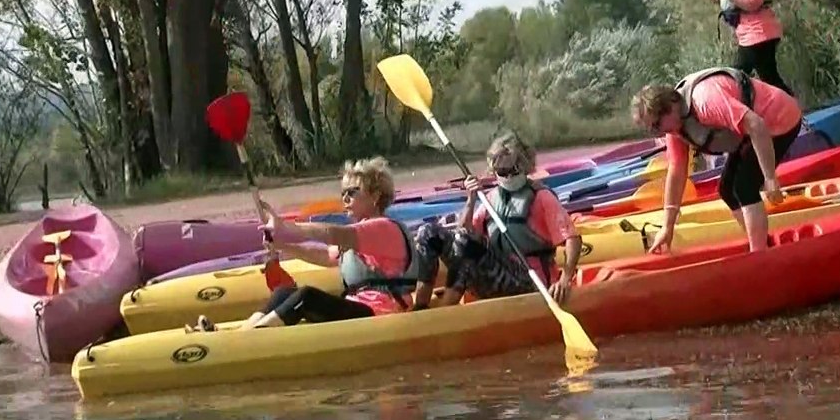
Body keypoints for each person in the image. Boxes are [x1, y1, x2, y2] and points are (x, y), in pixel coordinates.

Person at [184, 157, 422, 332]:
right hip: (357, 310)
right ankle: (240, 334)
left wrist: (287, 228)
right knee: (284, 292)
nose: (345, 199)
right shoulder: (360, 233)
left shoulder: (383, 228)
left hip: (382, 316)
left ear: (375, 196)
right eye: (343, 193)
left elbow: (332, 233)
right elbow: (323, 255)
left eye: (352, 192)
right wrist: (284, 246)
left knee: (307, 296)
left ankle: (252, 340)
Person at [631, 66, 803, 254]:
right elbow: (677, 171)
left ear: (670, 107)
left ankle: (759, 254)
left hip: (779, 119)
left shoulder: (705, 101)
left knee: (744, 186)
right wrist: (667, 226)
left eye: (656, 125)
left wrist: (770, 178)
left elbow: (756, 125)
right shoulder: (675, 127)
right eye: (652, 130)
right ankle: (762, 242)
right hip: (751, 134)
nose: (658, 132)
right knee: (727, 189)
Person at [411, 132, 582, 309]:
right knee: (428, 232)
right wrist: (471, 198)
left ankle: (444, 311)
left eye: (512, 170)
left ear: (524, 166)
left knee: (466, 242)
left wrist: (565, 279)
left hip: (529, 281)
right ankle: (421, 307)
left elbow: (573, 239)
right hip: (496, 277)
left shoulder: (542, 197)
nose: (507, 177)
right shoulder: (491, 198)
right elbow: (463, 234)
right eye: (502, 172)